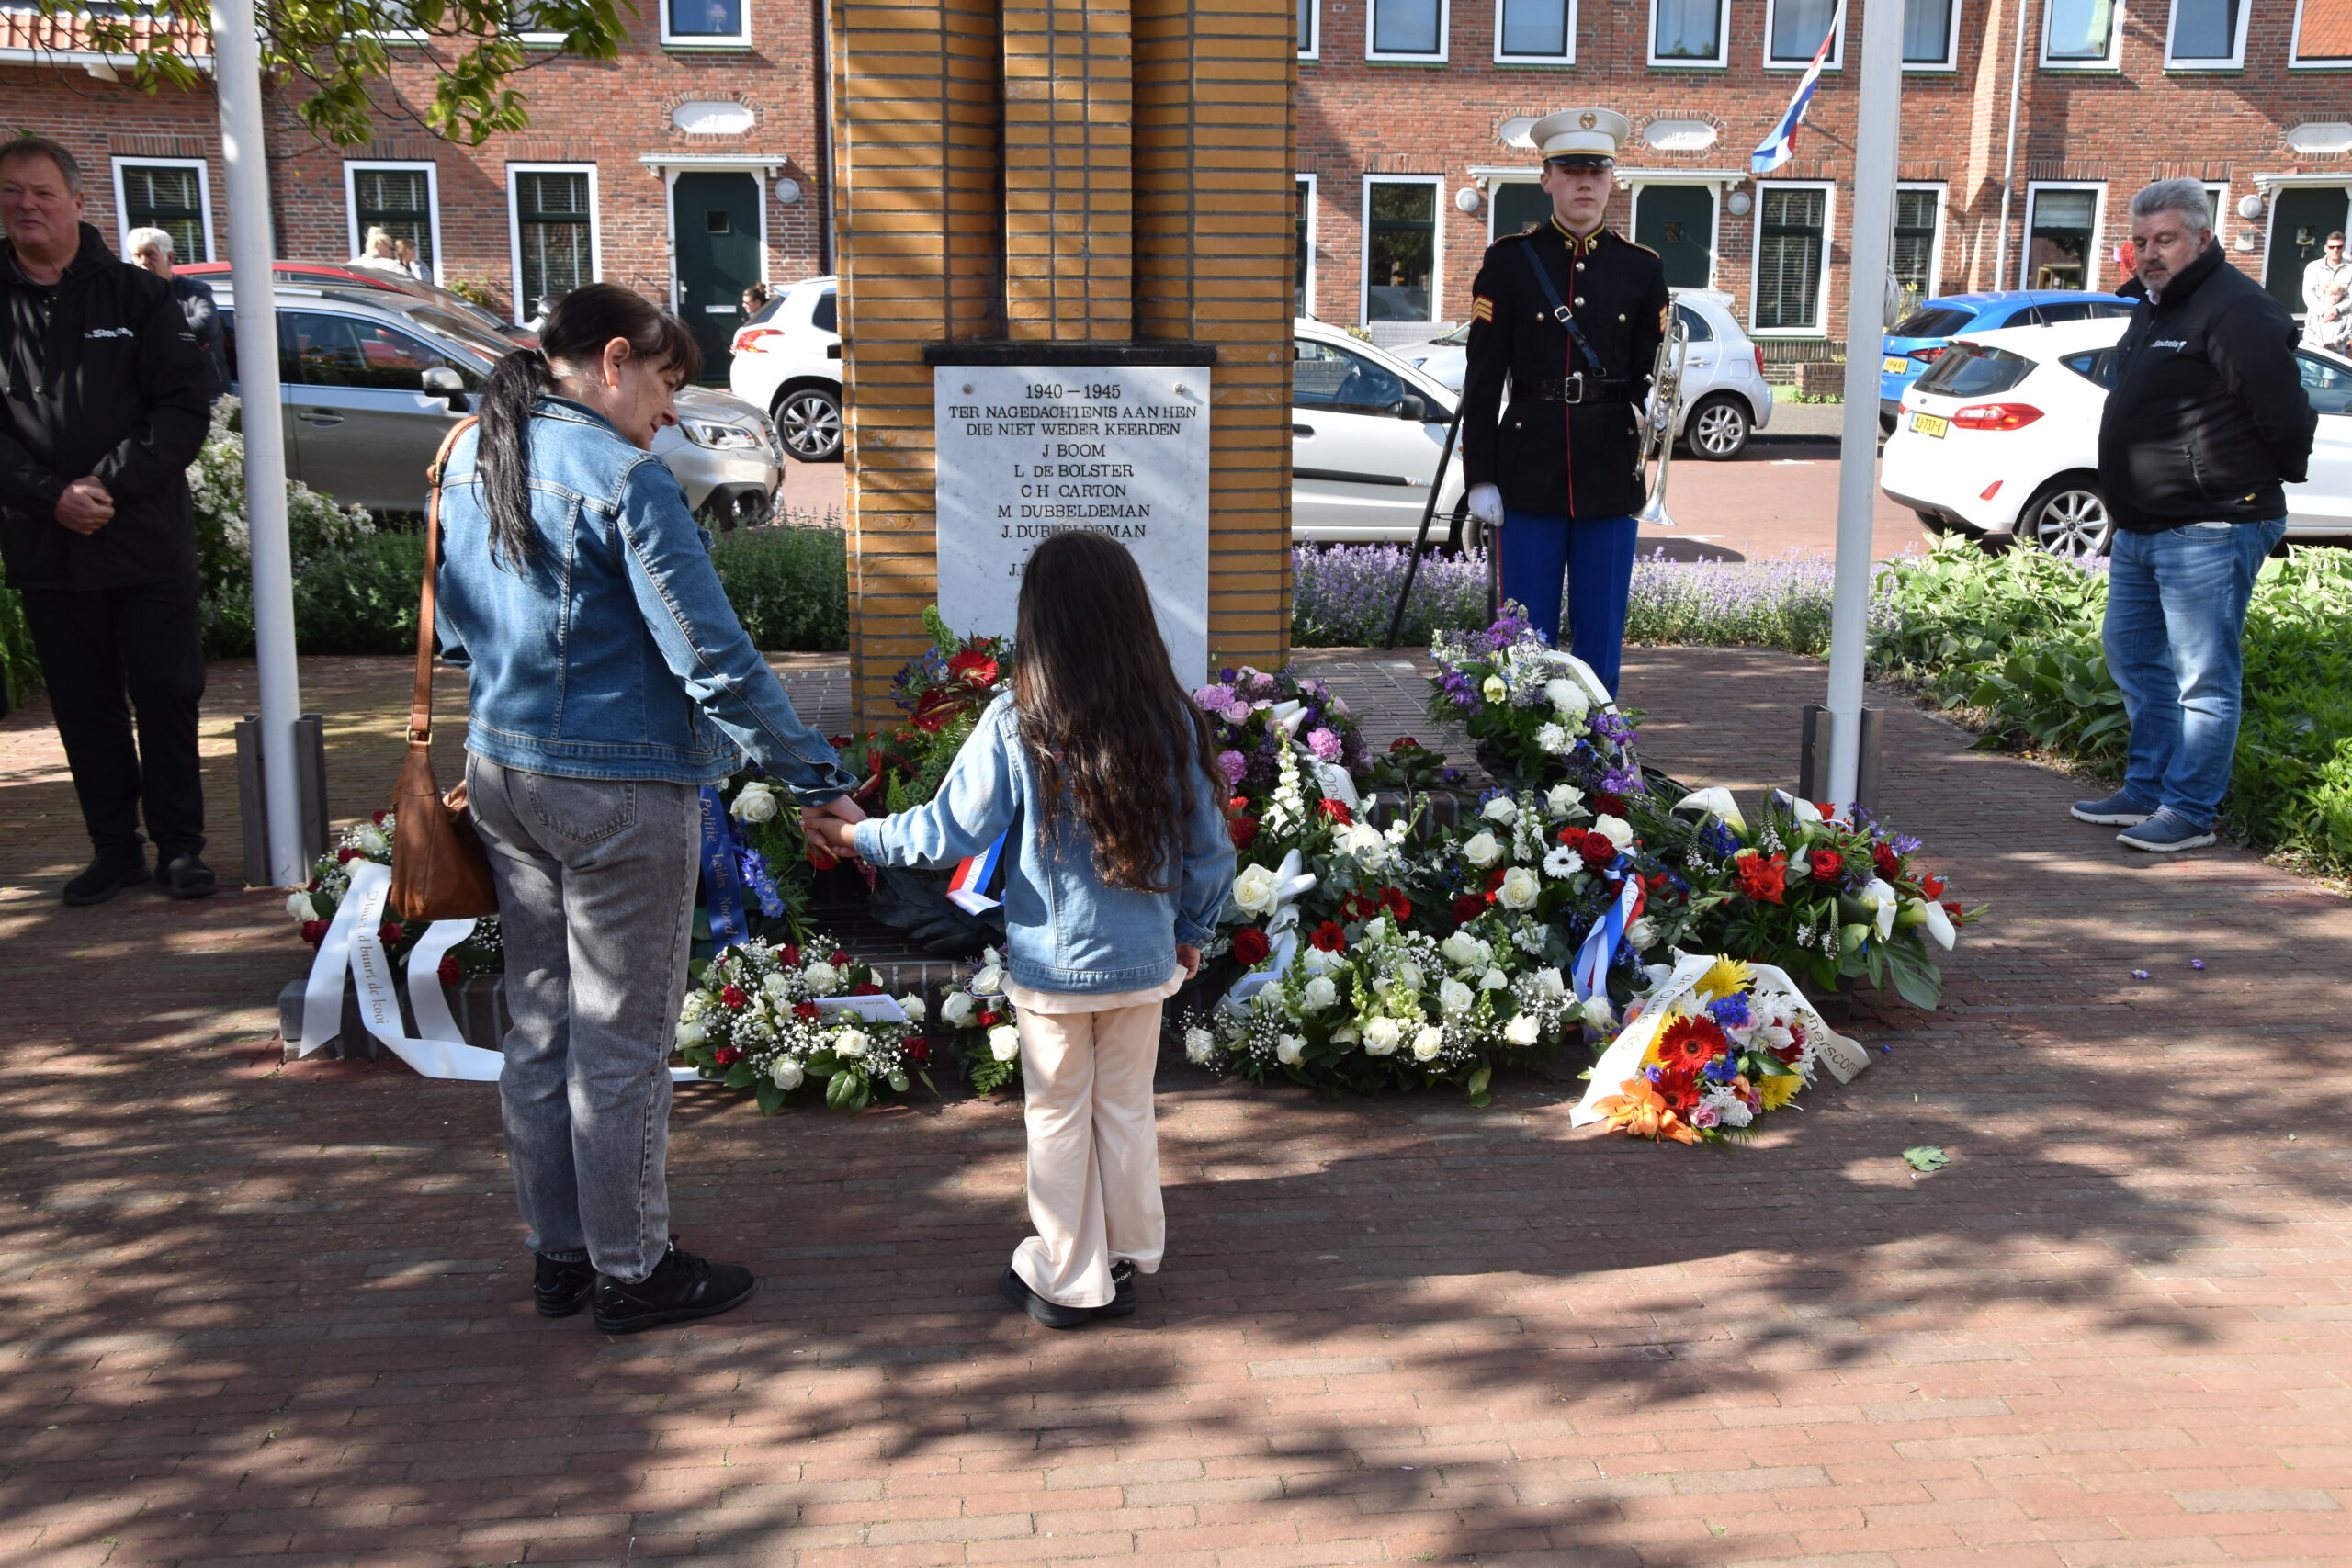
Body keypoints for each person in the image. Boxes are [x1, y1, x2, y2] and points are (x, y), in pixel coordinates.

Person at [434, 282, 867, 1332]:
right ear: (615, 360)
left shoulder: (473, 454)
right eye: (670, 383)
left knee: (539, 1026)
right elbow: (712, 658)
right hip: (618, 789)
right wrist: (817, 776)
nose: (674, 409)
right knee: (619, 1042)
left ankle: (562, 1256)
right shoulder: (627, 479)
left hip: (503, 772)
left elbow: (457, 631)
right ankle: (634, 1270)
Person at [809, 532, 1234, 1329]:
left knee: (1059, 1115)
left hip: (1053, 968)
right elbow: (1211, 846)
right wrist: (1192, 927)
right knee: (1126, 1109)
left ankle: (1070, 1276)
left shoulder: (1019, 719)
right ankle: (1125, 1251)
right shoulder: (1169, 717)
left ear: (1037, 621)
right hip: (1144, 960)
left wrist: (857, 835)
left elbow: (947, 831)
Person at [0, 136, 213, 905]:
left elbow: (185, 408)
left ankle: (181, 847)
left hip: (145, 537)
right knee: (83, 703)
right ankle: (113, 848)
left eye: (43, 192)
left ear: (77, 202)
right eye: (13, 192)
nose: (27, 205)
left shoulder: (138, 297)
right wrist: (45, 493)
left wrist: (106, 484)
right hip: (45, 542)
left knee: (165, 692)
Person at [2074, 179, 2315, 853]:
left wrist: (2245, 484)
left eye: (2167, 240)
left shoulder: (2236, 309)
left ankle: (2190, 809)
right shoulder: (2153, 306)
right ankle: (2147, 787)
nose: (2151, 253)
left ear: (2203, 239)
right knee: (2135, 659)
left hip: (2211, 522)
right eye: (2143, 241)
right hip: (2145, 525)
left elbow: (2286, 414)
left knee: (2203, 677)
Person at [1458, 107, 1668, 698]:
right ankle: (1521, 756)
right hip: (1529, 467)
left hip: (1610, 467)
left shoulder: (1641, 268)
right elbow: (1482, 379)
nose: (1584, 183)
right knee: (1525, 632)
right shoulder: (1509, 261)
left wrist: (1656, 417)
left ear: (1613, 180)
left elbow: (1653, 375)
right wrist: (1482, 477)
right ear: (1546, 177)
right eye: (1570, 169)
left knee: (1602, 628)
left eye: (1596, 171)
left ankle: (1596, 761)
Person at [125, 226, 228, 403]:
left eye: (150, 254)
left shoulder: (195, 291)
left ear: (170, 258)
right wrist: (183, 340)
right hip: (151, 399)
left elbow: (205, 326)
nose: (143, 262)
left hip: (202, 395)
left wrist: (148, 334)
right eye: (137, 256)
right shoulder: (128, 297)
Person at [2300, 231, 2351, 345]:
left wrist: (2336, 309)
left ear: (2343, 248)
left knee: (2334, 362)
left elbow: (2351, 297)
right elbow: (2308, 295)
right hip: (2315, 327)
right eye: (2331, 247)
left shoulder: (2350, 269)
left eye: (2339, 246)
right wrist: (2324, 311)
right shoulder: (2313, 267)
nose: (2335, 250)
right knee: (2310, 361)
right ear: (2325, 248)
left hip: (2338, 331)